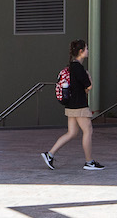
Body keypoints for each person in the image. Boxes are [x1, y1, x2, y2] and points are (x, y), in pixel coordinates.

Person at [42, 40, 106, 171]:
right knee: (88, 131)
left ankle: (50, 154)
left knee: (72, 133)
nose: (88, 50)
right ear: (81, 52)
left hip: (71, 105)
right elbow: (89, 87)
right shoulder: (79, 68)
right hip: (80, 106)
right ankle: (89, 162)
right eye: (86, 48)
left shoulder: (71, 67)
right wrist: (88, 76)